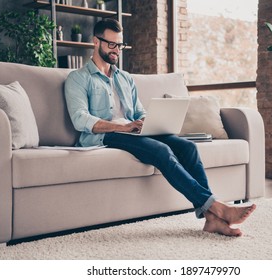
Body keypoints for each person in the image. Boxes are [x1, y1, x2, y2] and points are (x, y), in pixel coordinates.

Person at [64, 18, 256, 237]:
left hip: (132, 131)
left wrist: (148, 122)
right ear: (95, 42)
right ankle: (217, 208)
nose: (117, 50)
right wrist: (125, 127)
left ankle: (211, 219)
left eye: (120, 45)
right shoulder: (78, 78)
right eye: (111, 44)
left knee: (188, 148)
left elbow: (138, 112)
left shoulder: (125, 78)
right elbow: (80, 119)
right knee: (161, 151)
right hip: (105, 137)